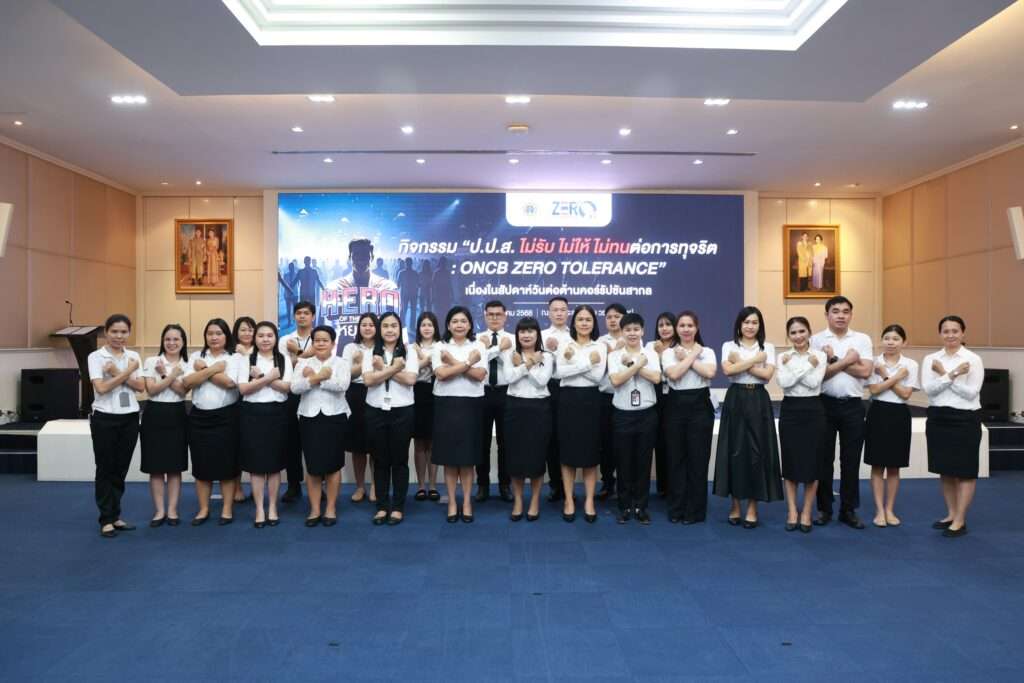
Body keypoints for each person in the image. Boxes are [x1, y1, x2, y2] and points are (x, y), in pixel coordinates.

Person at [712, 306, 783, 528]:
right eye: (746, 322)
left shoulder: (767, 347)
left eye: (754, 322)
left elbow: (767, 375)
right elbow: (728, 371)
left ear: (760, 325)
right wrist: (755, 360)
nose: (750, 326)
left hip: (758, 399)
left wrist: (740, 362)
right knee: (734, 450)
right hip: (736, 398)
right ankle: (735, 506)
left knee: (757, 452)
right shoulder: (729, 346)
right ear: (739, 324)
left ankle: (752, 507)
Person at [810, 295, 874, 529]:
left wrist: (834, 360)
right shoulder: (816, 340)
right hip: (824, 404)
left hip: (853, 406)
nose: (840, 315)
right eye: (835, 311)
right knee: (824, 459)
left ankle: (848, 509)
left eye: (845, 311)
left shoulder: (862, 339)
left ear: (851, 315)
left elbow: (866, 372)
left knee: (851, 460)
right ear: (827, 315)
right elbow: (819, 375)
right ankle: (824, 509)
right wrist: (848, 360)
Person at [922, 315, 984, 538]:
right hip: (938, 417)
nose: (950, 335)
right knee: (945, 469)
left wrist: (944, 375)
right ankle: (951, 514)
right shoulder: (931, 359)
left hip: (965, 419)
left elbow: (971, 393)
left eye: (955, 331)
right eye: (946, 331)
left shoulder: (973, 359)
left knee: (965, 471)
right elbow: (929, 390)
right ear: (940, 334)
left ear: (963, 333)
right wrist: (953, 374)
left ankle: (960, 520)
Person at [88, 314, 145, 538]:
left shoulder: (133, 356)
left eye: (123, 332)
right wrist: (127, 372)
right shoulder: (96, 357)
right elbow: (101, 389)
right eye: (114, 331)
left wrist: (116, 373)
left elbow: (140, 387)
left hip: (129, 417)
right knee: (105, 468)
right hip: (104, 417)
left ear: (129, 333)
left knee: (121, 468)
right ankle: (106, 519)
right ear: (106, 332)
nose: (119, 336)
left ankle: (115, 515)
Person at [183, 318, 243, 525]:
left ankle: (227, 509)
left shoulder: (235, 358)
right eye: (210, 333)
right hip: (199, 417)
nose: (214, 337)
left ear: (227, 336)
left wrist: (203, 370)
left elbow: (230, 383)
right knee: (201, 466)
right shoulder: (195, 356)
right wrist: (213, 368)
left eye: (218, 333)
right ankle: (203, 509)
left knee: (227, 466)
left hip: (227, 417)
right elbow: (187, 382)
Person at [431, 306, 488, 523]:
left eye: (463, 321)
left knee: (467, 458)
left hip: (471, 404)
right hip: (446, 404)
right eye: (455, 321)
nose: (459, 325)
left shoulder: (478, 346)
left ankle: (466, 502)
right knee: (449, 458)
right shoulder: (439, 347)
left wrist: (455, 363)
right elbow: (441, 374)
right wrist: (467, 363)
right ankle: (452, 503)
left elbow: (479, 375)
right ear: (448, 325)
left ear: (470, 324)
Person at [292, 325, 352, 527]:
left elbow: (342, 386)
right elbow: (295, 388)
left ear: (333, 343)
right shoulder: (303, 363)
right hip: (309, 417)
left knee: (333, 465)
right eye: (317, 340)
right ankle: (315, 509)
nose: (320, 343)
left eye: (325, 340)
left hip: (335, 417)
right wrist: (319, 376)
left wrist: (315, 378)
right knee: (313, 466)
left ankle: (331, 508)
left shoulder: (341, 363)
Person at [363, 312, 419, 526]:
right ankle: (381, 506)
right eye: (385, 326)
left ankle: (397, 507)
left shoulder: (409, 351)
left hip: (402, 411)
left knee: (399, 460)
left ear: (399, 328)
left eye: (393, 326)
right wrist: (395, 369)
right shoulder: (370, 352)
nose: (389, 330)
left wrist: (384, 369)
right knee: (380, 461)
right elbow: (368, 381)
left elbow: (410, 379)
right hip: (375, 410)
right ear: (380, 329)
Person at [662, 311, 717, 525]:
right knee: (676, 458)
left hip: (700, 406)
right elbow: (674, 374)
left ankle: (695, 511)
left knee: (698, 459)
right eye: (682, 325)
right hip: (675, 405)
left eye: (690, 325)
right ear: (677, 329)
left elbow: (709, 373)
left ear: (697, 328)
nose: (686, 329)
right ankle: (676, 508)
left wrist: (688, 357)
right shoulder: (669, 352)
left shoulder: (707, 351)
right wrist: (693, 355)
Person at [236, 321, 292, 528]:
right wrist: (267, 377)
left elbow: (286, 388)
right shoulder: (246, 360)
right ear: (255, 338)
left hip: (277, 414)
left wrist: (258, 378)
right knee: (257, 466)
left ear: (276, 338)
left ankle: (273, 507)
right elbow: (243, 389)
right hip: (252, 415)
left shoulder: (283, 358)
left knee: (275, 466)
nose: (265, 339)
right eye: (261, 336)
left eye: (269, 335)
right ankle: (260, 508)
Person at [556, 305, 607, 523]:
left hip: (591, 401)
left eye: (588, 319)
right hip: (568, 400)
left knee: (590, 455)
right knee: (568, 453)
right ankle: (568, 500)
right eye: (580, 319)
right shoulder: (564, 344)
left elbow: (597, 377)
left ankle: (589, 501)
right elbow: (560, 373)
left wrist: (573, 363)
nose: (584, 323)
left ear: (593, 323)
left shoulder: (600, 346)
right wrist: (587, 363)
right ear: (574, 322)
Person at [607, 313, 660, 524]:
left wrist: (633, 364)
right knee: (624, 462)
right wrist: (635, 365)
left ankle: (641, 507)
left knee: (643, 462)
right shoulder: (614, 356)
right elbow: (616, 381)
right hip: (622, 414)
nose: (632, 333)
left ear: (643, 331)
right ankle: (624, 507)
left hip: (647, 414)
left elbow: (656, 378)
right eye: (627, 330)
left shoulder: (651, 354)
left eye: (636, 329)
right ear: (622, 332)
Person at [776, 317, 827, 533]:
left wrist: (795, 368)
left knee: (812, 463)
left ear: (809, 332)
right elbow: (784, 383)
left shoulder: (820, 356)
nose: (798, 336)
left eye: (802, 331)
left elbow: (814, 383)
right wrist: (806, 366)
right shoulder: (782, 357)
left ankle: (806, 511)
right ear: (789, 335)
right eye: (794, 332)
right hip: (790, 409)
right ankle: (792, 511)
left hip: (813, 409)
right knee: (790, 462)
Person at [865, 324, 919, 528]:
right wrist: (895, 377)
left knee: (894, 466)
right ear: (882, 340)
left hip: (899, 415)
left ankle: (890, 509)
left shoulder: (911, 364)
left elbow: (905, 394)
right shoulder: (874, 362)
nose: (890, 342)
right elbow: (874, 390)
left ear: (904, 342)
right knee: (877, 465)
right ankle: (879, 510)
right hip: (878, 412)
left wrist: (885, 376)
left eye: (896, 339)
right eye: (887, 338)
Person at [503, 317, 554, 522]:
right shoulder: (511, 354)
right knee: (515, 457)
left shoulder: (547, 356)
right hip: (514, 408)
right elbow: (509, 378)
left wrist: (524, 365)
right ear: (517, 335)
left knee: (536, 456)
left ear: (537, 334)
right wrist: (529, 364)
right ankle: (518, 501)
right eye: (522, 331)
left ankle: (534, 501)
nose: (526, 335)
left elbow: (542, 382)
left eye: (530, 331)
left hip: (539, 408)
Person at [140, 324, 189, 527]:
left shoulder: (187, 363)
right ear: (162, 341)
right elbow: (151, 390)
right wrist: (169, 374)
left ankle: (172, 511)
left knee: (175, 467)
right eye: (167, 339)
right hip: (154, 414)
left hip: (177, 414)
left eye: (176, 339)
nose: (171, 343)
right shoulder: (152, 361)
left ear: (183, 342)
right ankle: (159, 511)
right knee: (156, 467)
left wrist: (165, 375)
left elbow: (182, 391)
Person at [278, 301, 317, 503]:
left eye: (306, 313)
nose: (302, 316)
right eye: (299, 313)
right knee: (291, 442)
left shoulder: (320, 338)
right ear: (294, 316)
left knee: (314, 443)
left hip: (315, 393)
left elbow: (320, 367)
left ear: (313, 316)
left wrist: (298, 354)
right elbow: (285, 367)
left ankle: (317, 485)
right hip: (291, 394)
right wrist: (305, 357)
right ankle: (294, 485)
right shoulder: (285, 340)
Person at [477, 300, 515, 503]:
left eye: (498, 314)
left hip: (506, 392)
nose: (494, 317)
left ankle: (504, 485)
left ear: (505, 316)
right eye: (490, 314)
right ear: (485, 316)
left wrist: (492, 350)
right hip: (481, 392)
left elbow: (513, 366)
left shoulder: (514, 339)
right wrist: (498, 349)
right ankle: (482, 485)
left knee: (506, 442)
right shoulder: (477, 339)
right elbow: (478, 361)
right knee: (481, 441)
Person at [341, 313, 378, 503]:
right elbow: (345, 376)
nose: (368, 328)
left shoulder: (382, 347)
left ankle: (376, 486)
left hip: (377, 392)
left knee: (376, 444)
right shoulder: (350, 347)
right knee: (358, 446)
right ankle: (360, 486)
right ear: (359, 327)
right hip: (355, 395)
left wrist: (362, 366)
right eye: (364, 324)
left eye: (371, 324)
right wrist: (359, 363)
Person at [541, 296, 573, 501]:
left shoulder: (575, 335)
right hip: (549, 387)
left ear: (568, 312)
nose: (559, 313)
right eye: (555, 310)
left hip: (570, 388)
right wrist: (549, 351)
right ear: (549, 313)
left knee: (568, 436)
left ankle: (569, 486)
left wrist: (559, 349)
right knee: (550, 437)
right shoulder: (541, 336)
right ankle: (555, 484)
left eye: (563, 309)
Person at [596, 303, 627, 500]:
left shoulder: (632, 337)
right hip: (604, 398)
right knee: (605, 443)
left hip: (625, 396)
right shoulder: (599, 341)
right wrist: (611, 353)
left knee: (623, 443)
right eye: (609, 317)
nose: (613, 320)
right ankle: (607, 482)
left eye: (617, 316)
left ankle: (625, 484)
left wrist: (615, 352)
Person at [647, 312, 677, 497]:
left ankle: (675, 485)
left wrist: (662, 355)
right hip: (655, 395)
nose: (664, 328)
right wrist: (657, 355)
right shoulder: (650, 346)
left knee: (673, 441)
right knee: (659, 441)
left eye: (668, 324)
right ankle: (663, 486)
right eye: (661, 325)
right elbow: (651, 372)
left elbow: (674, 373)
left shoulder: (680, 346)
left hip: (674, 396)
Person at [412, 312, 440, 502]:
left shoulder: (442, 346)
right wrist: (427, 359)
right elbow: (411, 370)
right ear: (419, 328)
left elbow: (438, 367)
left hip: (436, 392)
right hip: (416, 393)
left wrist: (423, 357)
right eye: (423, 325)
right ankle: (421, 486)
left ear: (435, 327)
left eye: (430, 325)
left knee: (433, 442)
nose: (427, 328)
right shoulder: (411, 347)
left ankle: (433, 485)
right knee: (419, 442)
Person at [230, 316, 257, 504]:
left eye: (250, 329)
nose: (247, 333)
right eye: (243, 330)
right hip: (235, 402)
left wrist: (246, 354)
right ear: (236, 332)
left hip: (256, 402)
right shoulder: (231, 352)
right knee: (236, 446)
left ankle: (257, 487)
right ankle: (237, 486)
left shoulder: (262, 350)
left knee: (255, 445)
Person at [398, 257, 419, 328]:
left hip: (404, 293)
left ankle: (402, 324)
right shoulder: (415, 273)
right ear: (411, 263)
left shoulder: (401, 273)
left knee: (404, 310)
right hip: (413, 293)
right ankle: (412, 325)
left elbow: (398, 284)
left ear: (405, 263)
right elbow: (419, 284)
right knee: (413, 310)